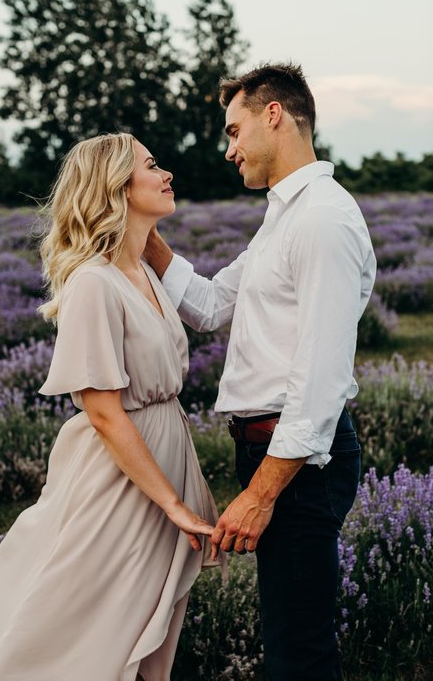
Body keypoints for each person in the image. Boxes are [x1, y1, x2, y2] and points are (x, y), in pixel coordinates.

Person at [0, 133, 220, 680]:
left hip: (161, 460)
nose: (168, 175)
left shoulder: (144, 275)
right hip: (119, 479)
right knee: (84, 621)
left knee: (142, 620)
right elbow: (104, 411)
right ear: (117, 186)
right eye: (152, 165)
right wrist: (173, 505)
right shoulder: (94, 283)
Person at [143, 62, 376, 680]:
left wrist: (262, 492)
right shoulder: (285, 215)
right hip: (275, 452)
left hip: (299, 464)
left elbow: (321, 377)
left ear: (273, 115)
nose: (229, 149)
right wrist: (141, 235)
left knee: (299, 649)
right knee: (288, 637)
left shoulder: (322, 219)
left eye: (234, 130)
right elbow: (211, 304)